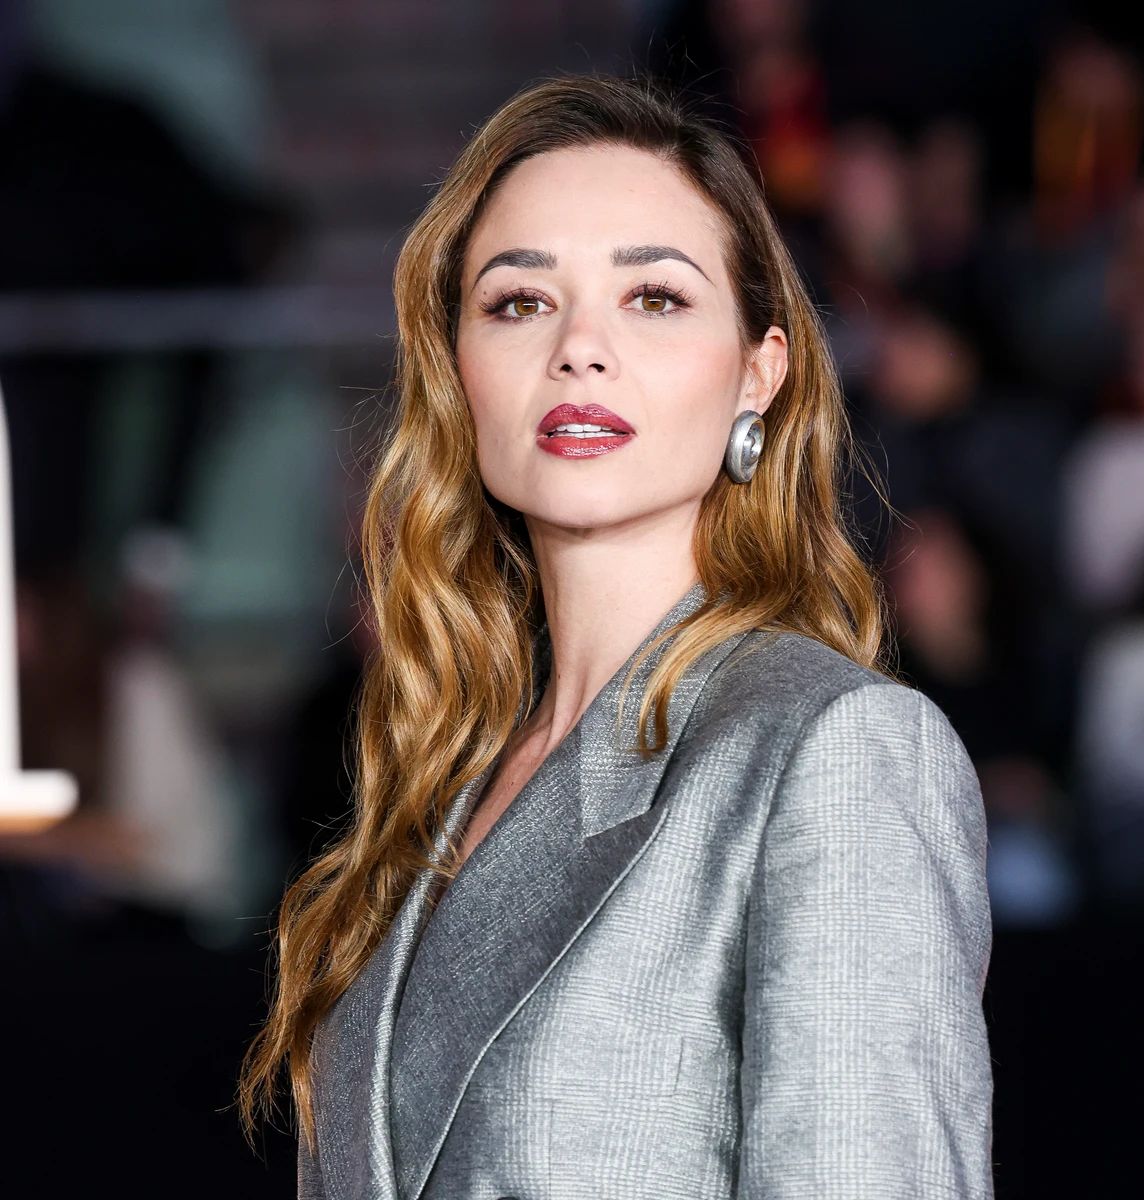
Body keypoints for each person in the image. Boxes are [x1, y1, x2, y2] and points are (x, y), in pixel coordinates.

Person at [238, 72, 995, 1199]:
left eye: (653, 297)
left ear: (759, 372)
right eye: (518, 302)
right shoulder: (434, 786)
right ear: (456, 368)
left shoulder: (836, 751)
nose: (580, 348)